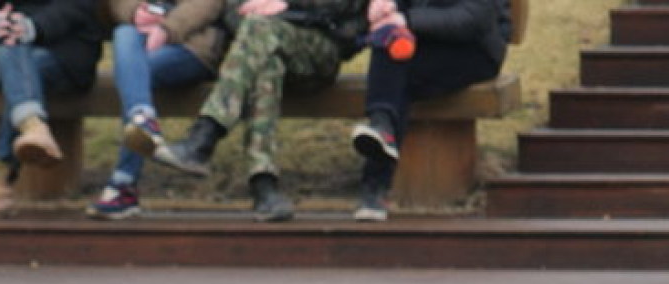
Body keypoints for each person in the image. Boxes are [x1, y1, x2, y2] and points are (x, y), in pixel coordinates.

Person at [145, 0, 367, 222]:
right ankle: (264, 187)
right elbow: (232, 9)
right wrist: (249, 10)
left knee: (260, 33)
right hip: (262, 44)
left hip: (321, 46)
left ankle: (204, 138)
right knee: (266, 64)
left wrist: (286, 5)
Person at [350, 0, 510, 221]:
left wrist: (407, 20)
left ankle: (375, 183)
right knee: (390, 46)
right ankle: (381, 127)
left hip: (475, 49)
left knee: (396, 74)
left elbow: (473, 19)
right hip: (420, 42)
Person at [0, 0, 104, 218]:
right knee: (11, 46)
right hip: (3, 51)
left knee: (20, 68)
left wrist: (32, 27)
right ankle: (33, 126)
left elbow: (78, 6)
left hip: (63, 54)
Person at [87, 0, 230, 219]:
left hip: (192, 45)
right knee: (125, 33)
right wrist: (136, 12)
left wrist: (167, 28)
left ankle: (124, 184)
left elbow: (208, 3)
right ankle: (143, 118)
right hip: (141, 39)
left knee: (135, 74)